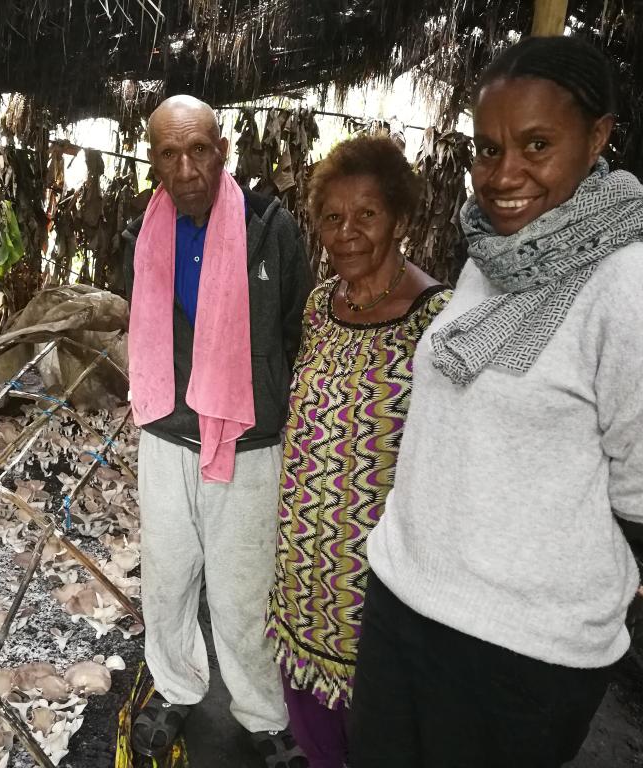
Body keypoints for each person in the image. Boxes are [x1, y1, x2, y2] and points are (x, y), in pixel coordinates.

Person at [349, 35, 643, 768]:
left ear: (597, 136)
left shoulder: (629, 287)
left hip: (516, 652)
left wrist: (542, 547)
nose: (505, 174)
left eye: (537, 145)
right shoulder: (496, 254)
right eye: (488, 149)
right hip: (406, 601)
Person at [123, 94, 312, 766]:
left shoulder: (270, 227)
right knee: (168, 579)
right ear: (154, 163)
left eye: (199, 150)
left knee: (243, 590)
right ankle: (176, 687)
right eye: (169, 154)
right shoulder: (144, 232)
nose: (186, 169)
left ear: (222, 151)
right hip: (167, 433)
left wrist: (262, 393)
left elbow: (294, 325)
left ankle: (263, 713)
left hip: (248, 437)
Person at [266, 135, 450, 768]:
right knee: (314, 725)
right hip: (302, 565)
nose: (347, 232)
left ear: (399, 218)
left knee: (381, 735)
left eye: (366, 214)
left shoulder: (436, 320)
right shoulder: (321, 306)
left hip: (378, 584)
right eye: (332, 217)